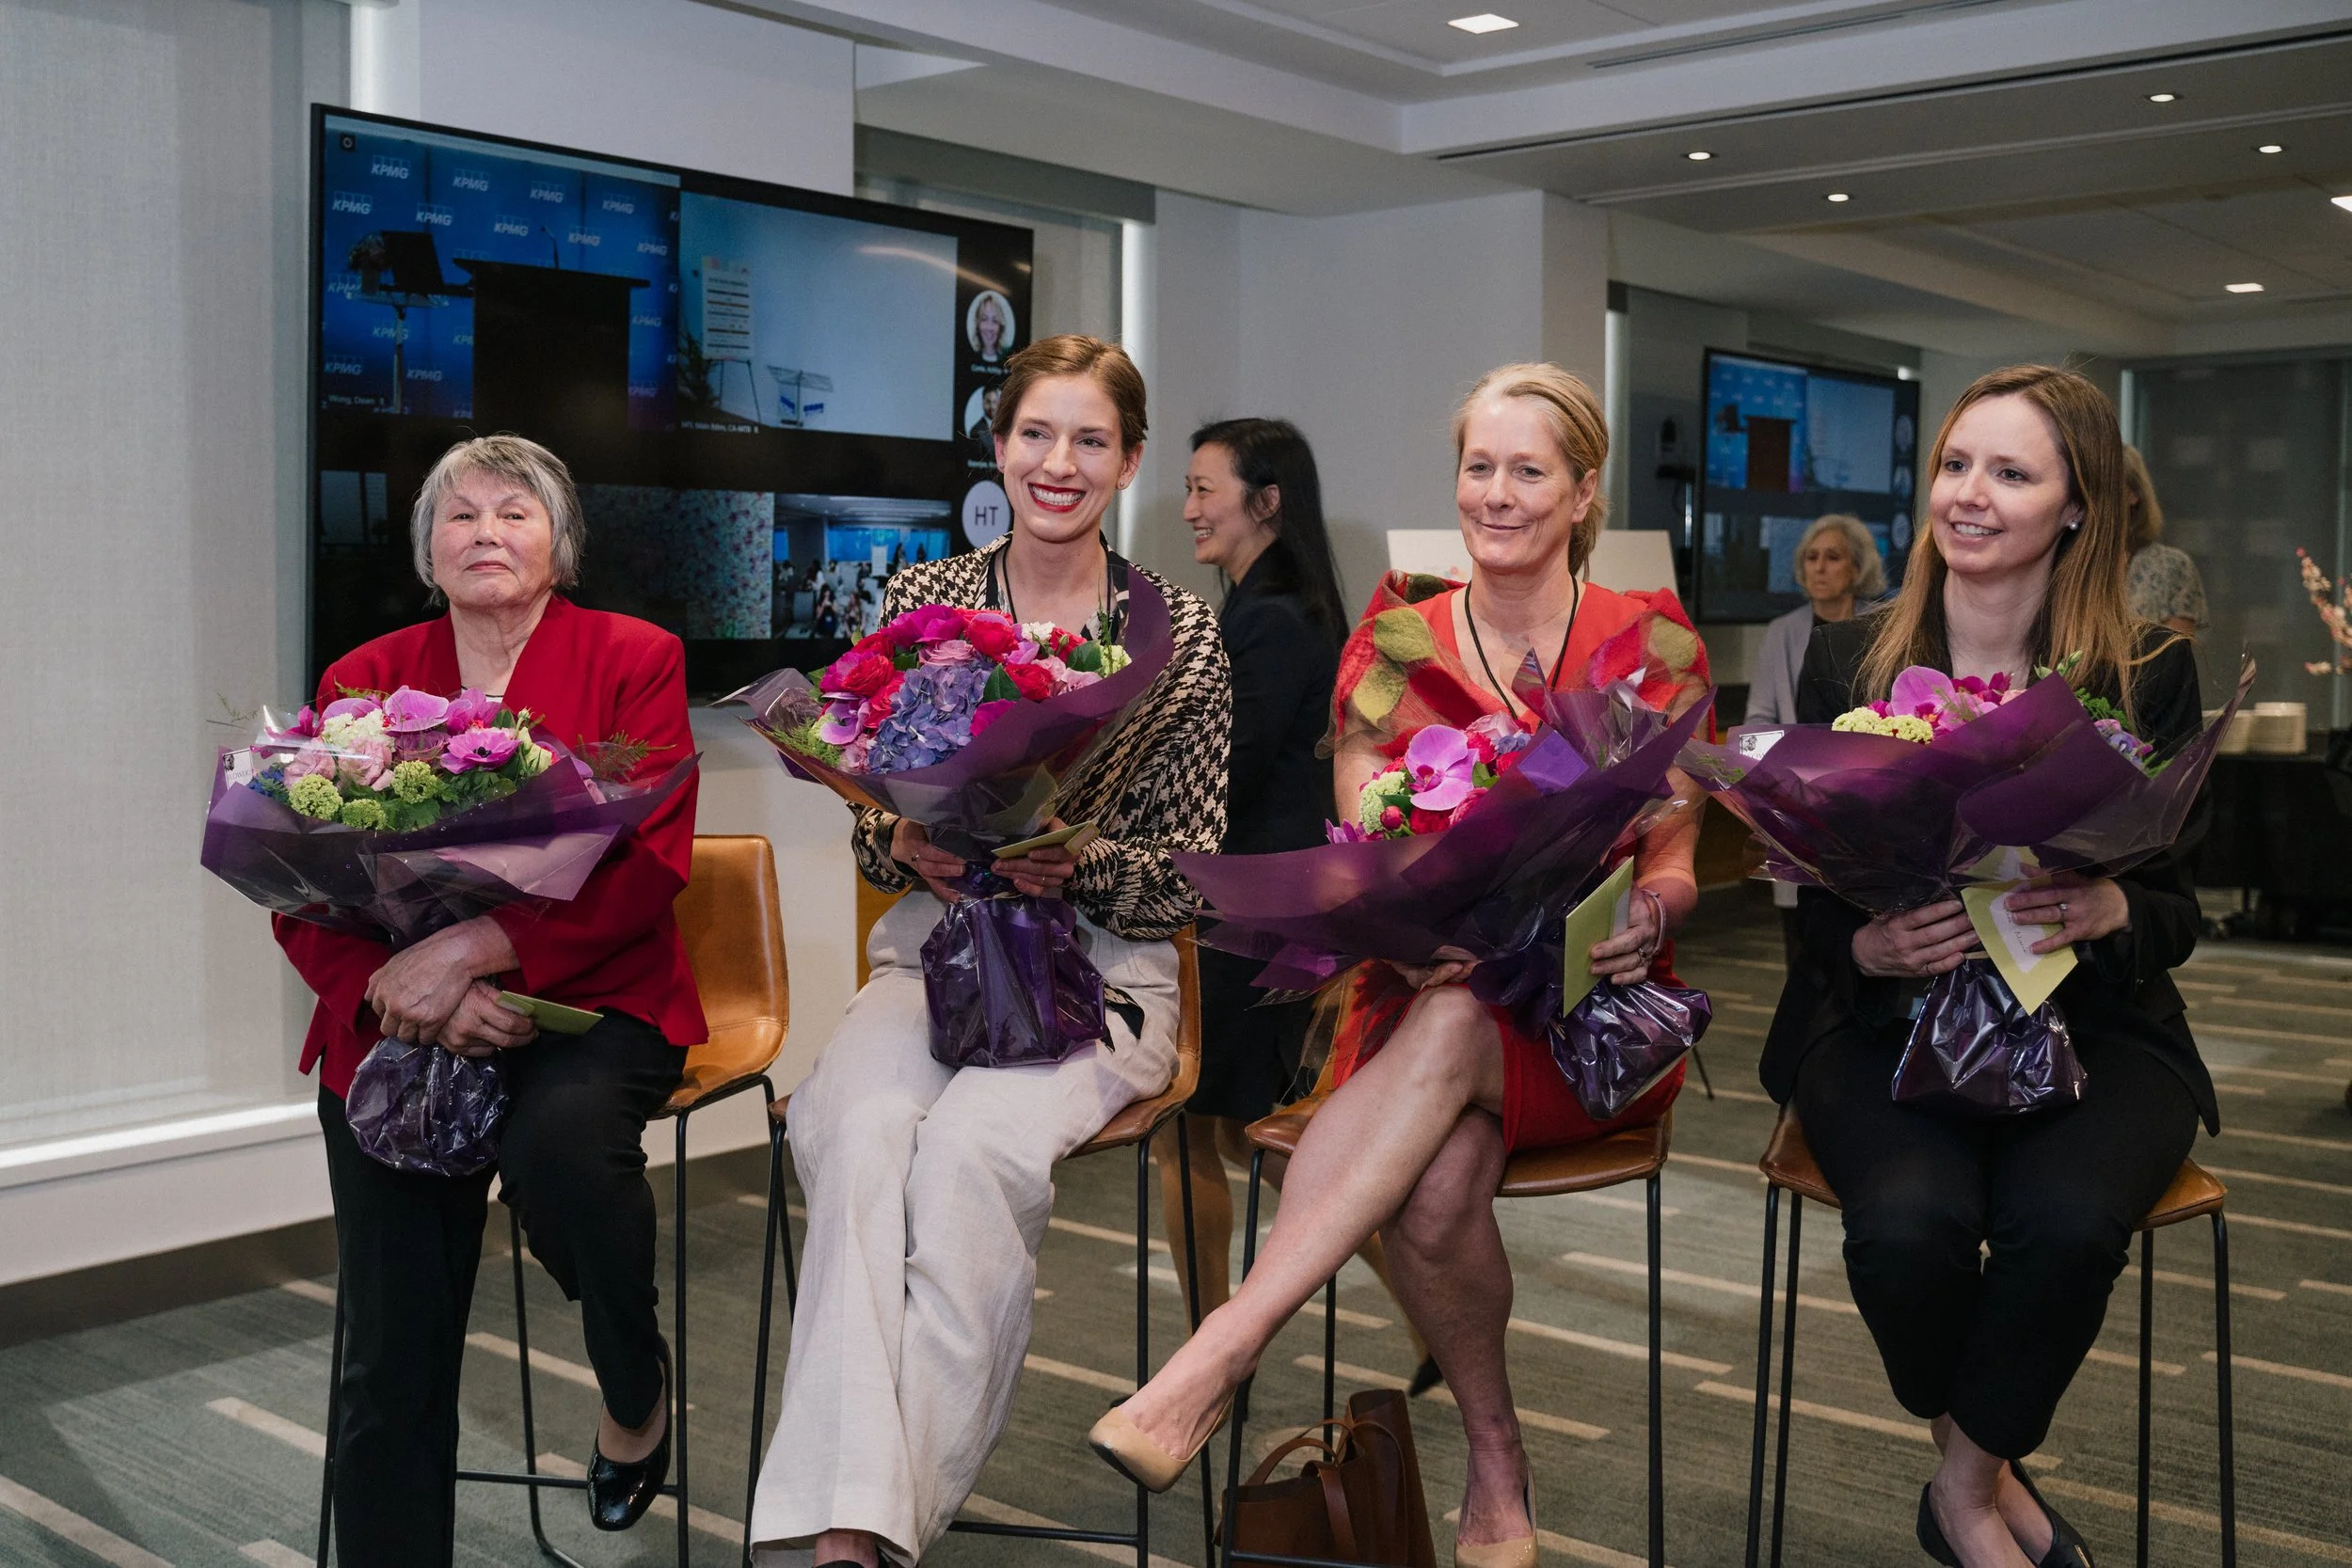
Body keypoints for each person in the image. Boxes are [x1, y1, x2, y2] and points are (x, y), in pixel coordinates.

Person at [1091, 363, 1710, 1568]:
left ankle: (1223, 1348)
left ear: (1583, 490)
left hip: (1590, 1008)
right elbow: (1362, 833)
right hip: (1424, 986)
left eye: (1528, 470)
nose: (1496, 492)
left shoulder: (1653, 644)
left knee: (1459, 1024)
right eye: (1478, 466)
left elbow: (1678, 850)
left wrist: (1655, 903)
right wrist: (1416, 920)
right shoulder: (1393, 638)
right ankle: (1495, 1453)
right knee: (1431, 1178)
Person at [749, 335, 1232, 1568]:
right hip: (934, 952)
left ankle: (860, 1527)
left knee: (970, 1152)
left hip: (1102, 973)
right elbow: (868, 815)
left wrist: (1079, 864)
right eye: (1035, 434)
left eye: (1089, 440)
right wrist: (903, 839)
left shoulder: (1179, 634)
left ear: (1128, 461)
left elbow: (1189, 875)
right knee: (855, 1131)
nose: (1057, 463)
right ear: (999, 445)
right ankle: (861, 1520)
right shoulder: (925, 602)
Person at [1765, 366, 2208, 1568]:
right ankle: (1987, 1480)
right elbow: (1811, 889)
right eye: (1955, 464)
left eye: (2010, 472)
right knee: (1909, 1228)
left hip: (2096, 1023)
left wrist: (2113, 903)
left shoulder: (2147, 672)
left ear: (2077, 505)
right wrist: (1864, 943)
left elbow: (2181, 908)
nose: (1969, 493)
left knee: (2060, 1225)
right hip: (1885, 1018)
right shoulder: (1848, 661)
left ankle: (1964, 1491)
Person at [275, 436, 705, 1566]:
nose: (485, 533)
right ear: (427, 548)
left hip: (587, 1000)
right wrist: (394, 992)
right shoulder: (361, 678)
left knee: (562, 1155)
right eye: (459, 515)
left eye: (515, 512)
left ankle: (633, 1379)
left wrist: (476, 949)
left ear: (560, 542)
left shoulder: (634, 657)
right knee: (392, 1352)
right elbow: (298, 886)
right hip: (400, 1021)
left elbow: (647, 865)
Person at [1154, 417, 1436, 1385]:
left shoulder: (1270, 619)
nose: (1189, 508)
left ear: (1266, 501)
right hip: (1268, 908)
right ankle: (1428, 1321)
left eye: (1205, 489)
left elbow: (1219, 778)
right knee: (1253, 1136)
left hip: (1246, 911)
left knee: (1201, 1132)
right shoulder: (1279, 604)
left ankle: (1203, 1362)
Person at [1746, 514, 1886, 961]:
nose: (1820, 568)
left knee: (1873, 930)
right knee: (1806, 938)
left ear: (1857, 567)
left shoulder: (1883, 627)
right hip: (1798, 803)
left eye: (1833, 557)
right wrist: (1780, 782)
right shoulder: (1781, 633)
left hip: (1872, 804)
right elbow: (1757, 721)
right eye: (1812, 558)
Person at [2122, 443, 2207, 639]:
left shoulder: (2172, 567)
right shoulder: (2067, 562)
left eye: (2105, 486)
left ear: (2133, 494)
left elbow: (2177, 653)